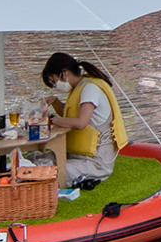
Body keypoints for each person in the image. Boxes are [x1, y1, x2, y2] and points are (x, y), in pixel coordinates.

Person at [39, 51, 127, 196]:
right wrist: (55, 101)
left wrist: (52, 120)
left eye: (54, 81)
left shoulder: (90, 89)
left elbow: (81, 123)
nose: (55, 86)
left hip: (96, 162)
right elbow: (69, 115)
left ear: (64, 73)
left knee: (50, 171)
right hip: (78, 156)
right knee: (37, 159)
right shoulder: (79, 87)